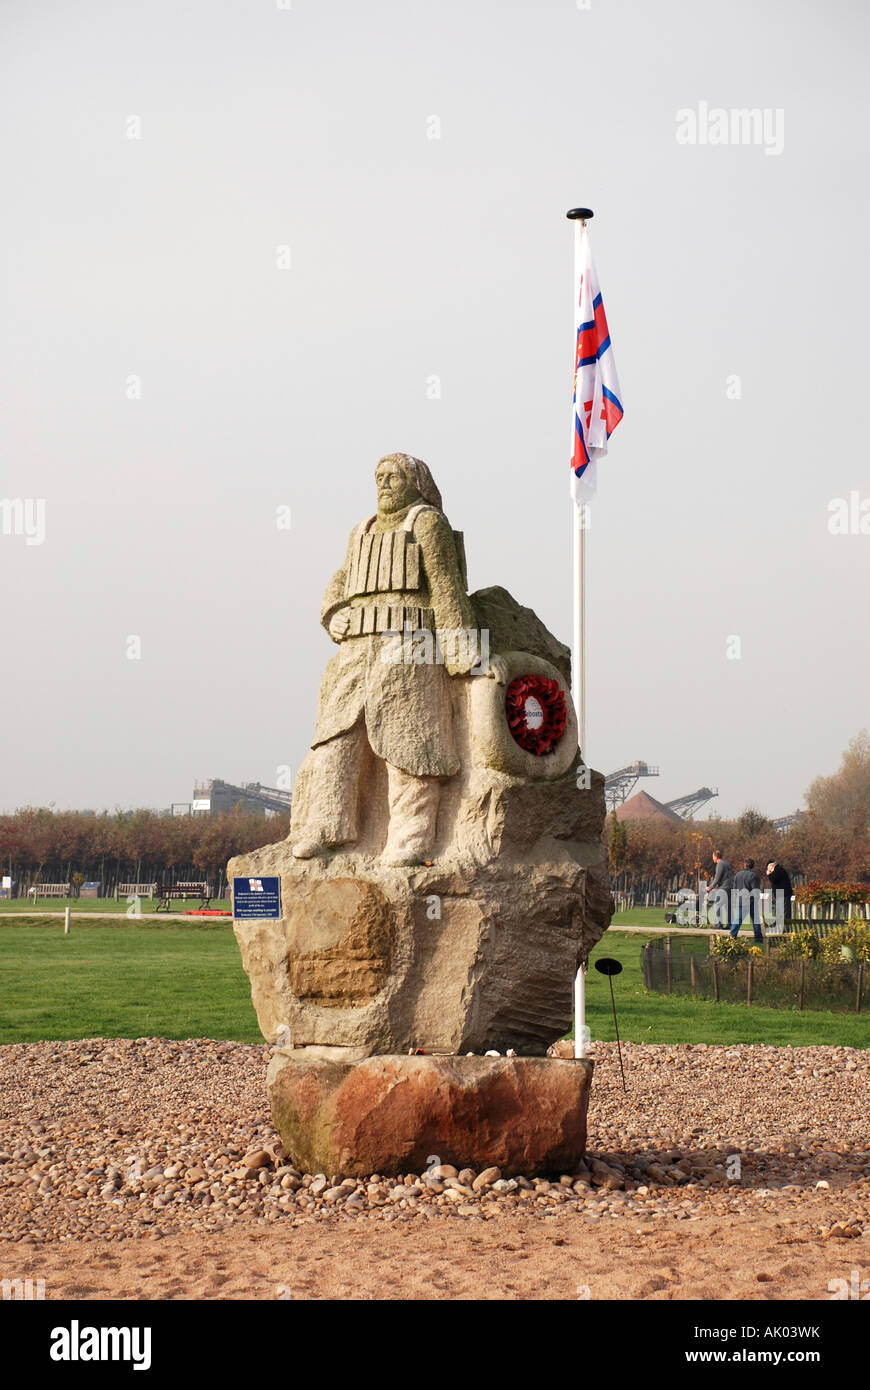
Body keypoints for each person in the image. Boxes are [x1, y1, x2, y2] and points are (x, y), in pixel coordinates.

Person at [290, 453, 504, 867]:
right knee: (337, 738)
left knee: (409, 746)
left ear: (416, 482)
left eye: (394, 476)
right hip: (357, 648)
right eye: (378, 477)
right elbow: (339, 582)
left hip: (410, 645)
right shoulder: (361, 531)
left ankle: (411, 837)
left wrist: (465, 655)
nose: (384, 484)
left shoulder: (426, 523)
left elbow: (446, 588)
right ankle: (326, 824)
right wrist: (334, 612)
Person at [731, 858, 764, 942]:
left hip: (741, 901)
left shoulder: (737, 875)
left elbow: (734, 889)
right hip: (751, 901)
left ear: (744, 865)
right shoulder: (753, 875)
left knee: (738, 919)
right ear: (752, 866)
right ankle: (758, 939)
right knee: (755, 921)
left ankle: (732, 935)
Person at [705, 849, 733, 929]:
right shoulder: (726, 863)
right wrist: (716, 888)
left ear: (716, 856)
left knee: (717, 905)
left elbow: (717, 878)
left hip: (724, 888)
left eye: (713, 857)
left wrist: (710, 888)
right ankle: (729, 925)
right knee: (728, 907)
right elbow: (726, 877)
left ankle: (718, 925)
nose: (712, 858)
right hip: (729, 887)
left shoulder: (720, 864)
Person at [766, 861, 794, 928]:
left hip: (784, 894)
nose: (768, 870)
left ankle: (784, 927)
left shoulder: (778, 870)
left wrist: (769, 874)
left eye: (768, 868)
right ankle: (778, 926)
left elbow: (774, 880)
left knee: (784, 912)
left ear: (771, 866)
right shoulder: (778, 870)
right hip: (780, 894)